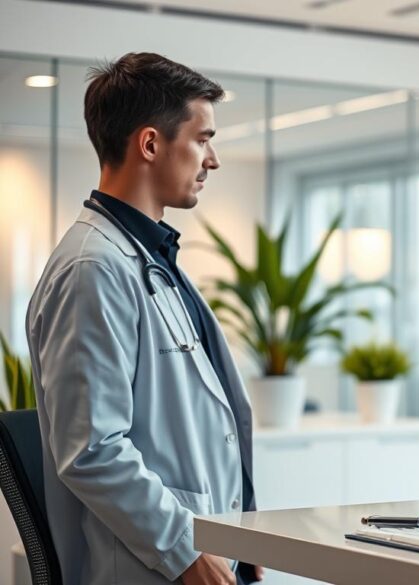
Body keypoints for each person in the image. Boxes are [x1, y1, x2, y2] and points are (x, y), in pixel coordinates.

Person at [25, 53, 261, 585]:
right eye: (203, 139)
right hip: (150, 565)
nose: (213, 159)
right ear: (151, 144)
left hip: (209, 546)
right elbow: (93, 449)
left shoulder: (148, 259)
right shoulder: (93, 268)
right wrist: (186, 551)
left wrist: (240, 535)